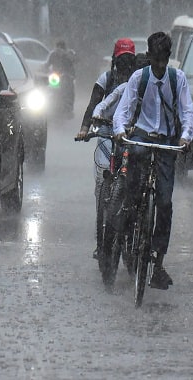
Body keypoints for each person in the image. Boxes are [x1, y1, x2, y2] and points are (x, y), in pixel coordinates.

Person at [112, 32, 193, 290]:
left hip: (167, 143)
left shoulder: (177, 79)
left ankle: (158, 262)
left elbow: (187, 111)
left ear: (168, 58)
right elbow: (123, 111)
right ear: (149, 57)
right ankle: (127, 224)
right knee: (132, 190)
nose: (160, 66)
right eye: (156, 60)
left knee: (165, 203)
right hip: (141, 138)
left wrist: (185, 137)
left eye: (164, 60)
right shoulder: (139, 78)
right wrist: (120, 130)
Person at [76, 38, 137, 259]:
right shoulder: (106, 79)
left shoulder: (139, 79)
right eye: (121, 60)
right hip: (106, 133)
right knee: (102, 184)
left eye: (129, 60)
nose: (125, 65)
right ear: (114, 60)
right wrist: (85, 128)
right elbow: (93, 104)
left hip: (130, 135)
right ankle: (101, 236)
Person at [45, 39, 78, 116]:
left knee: (70, 91)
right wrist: (43, 70)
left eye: (61, 47)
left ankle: (69, 109)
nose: (59, 50)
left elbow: (75, 60)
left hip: (67, 76)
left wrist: (69, 75)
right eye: (58, 47)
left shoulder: (69, 54)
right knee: (49, 89)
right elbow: (47, 64)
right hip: (55, 77)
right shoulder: (53, 54)